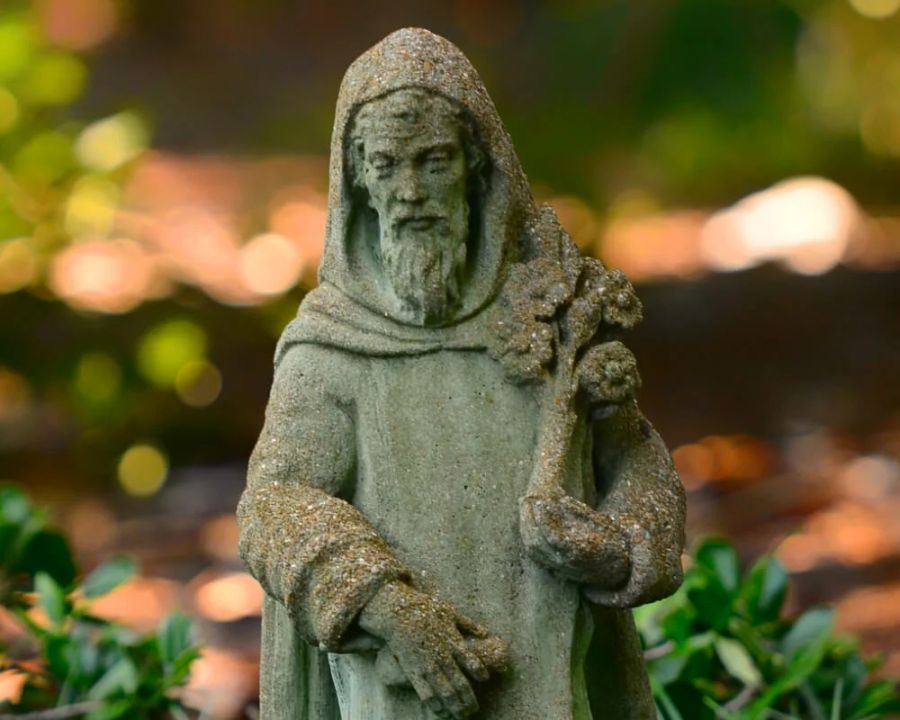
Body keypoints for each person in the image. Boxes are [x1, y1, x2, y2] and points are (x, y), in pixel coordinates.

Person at [238, 28, 685, 720]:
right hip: (399, 696)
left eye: (434, 161)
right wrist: (387, 607)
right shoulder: (331, 345)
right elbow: (273, 505)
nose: (411, 190)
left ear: (478, 164)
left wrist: (622, 546)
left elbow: (634, 459)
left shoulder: (551, 315)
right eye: (386, 164)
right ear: (357, 179)